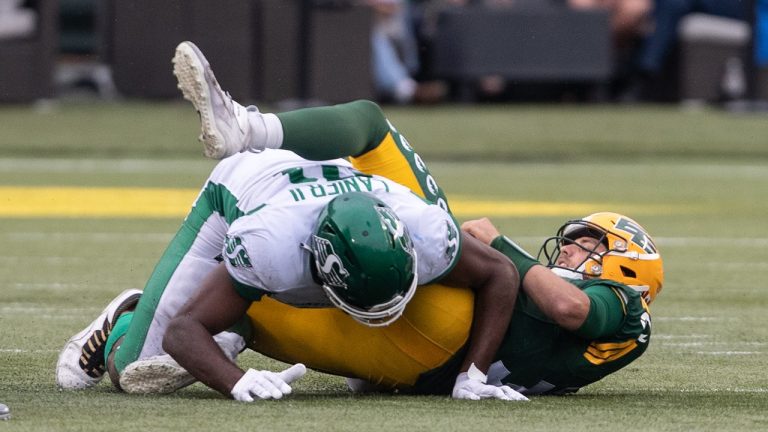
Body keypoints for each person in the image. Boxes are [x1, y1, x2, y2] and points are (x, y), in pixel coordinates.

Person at [56, 41, 523, 402]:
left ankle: (232, 327)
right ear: (319, 262)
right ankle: (127, 315)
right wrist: (237, 383)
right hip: (240, 192)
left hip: (322, 189)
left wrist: (472, 377)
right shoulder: (270, 246)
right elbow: (183, 331)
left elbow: (499, 273)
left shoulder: (425, 229)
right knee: (137, 372)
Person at [243, 212, 663, 395]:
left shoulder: (625, 303)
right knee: (262, 317)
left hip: (449, 339)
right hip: (433, 374)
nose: (568, 251)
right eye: (570, 243)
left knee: (402, 238)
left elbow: (570, 310)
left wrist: (502, 248)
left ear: (628, 268)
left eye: (586, 245)